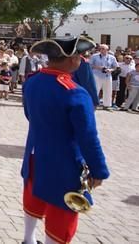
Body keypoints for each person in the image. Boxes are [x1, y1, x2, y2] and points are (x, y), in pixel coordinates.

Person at [21, 36, 109, 244]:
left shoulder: (32, 81)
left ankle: (28, 239)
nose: (81, 59)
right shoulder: (75, 93)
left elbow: (29, 114)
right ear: (71, 59)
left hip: (35, 152)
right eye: (80, 55)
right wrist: (99, 170)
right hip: (65, 161)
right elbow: (88, 137)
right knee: (63, 211)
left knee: (34, 195)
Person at [90, 44, 118, 110]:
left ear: (107, 50)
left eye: (103, 48)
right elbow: (90, 65)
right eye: (101, 48)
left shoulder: (112, 57)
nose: (101, 50)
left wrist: (110, 70)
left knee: (108, 90)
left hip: (107, 75)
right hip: (97, 75)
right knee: (95, 90)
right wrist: (99, 67)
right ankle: (93, 104)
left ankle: (107, 105)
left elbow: (115, 67)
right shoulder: (94, 56)